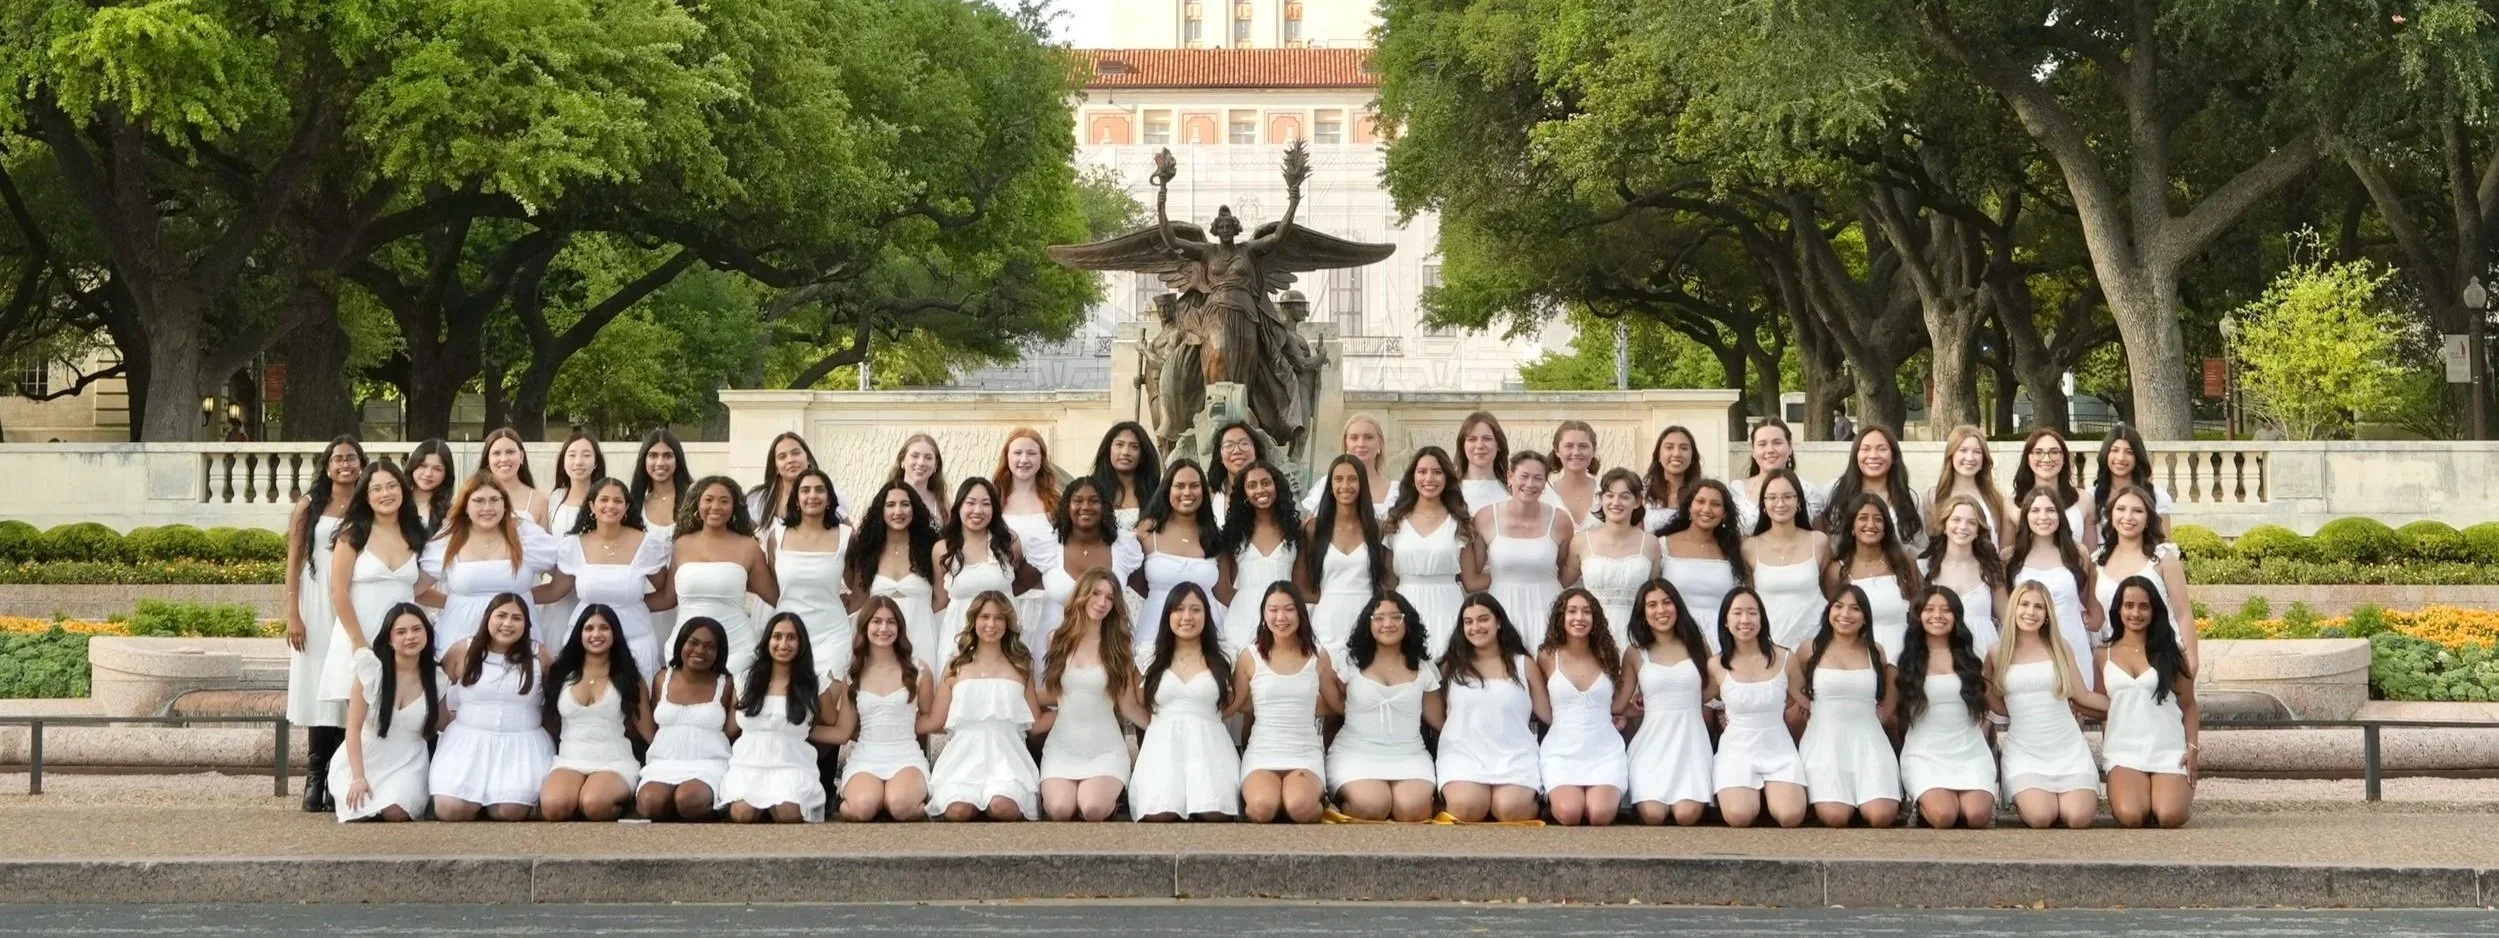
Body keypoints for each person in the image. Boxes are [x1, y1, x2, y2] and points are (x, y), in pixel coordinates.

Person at [287, 435, 366, 812]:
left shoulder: (368, 505)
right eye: (338, 459)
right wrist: (293, 611)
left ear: (361, 463)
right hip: (316, 601)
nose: (345, 465)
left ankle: (338, 776)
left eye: (351, 458)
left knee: (347, 683)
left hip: (353, 599)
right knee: (317, 682)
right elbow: (294, 558)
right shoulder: (309, 504)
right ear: (328, 465)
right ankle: (314, 775)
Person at [319, 462, 428, 727]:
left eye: (391, 486)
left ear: (403, 490)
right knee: (366, 726)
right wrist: (358, 642)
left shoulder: (414, 533)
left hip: (402, 639)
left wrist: (458, 601)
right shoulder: (353, 533)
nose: (385, 494)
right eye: (376, 489)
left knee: (400, 723)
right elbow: (338, 590)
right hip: (362, 635)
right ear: (366, 496)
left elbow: (413, 590)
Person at [1989, 580, 2105, 829]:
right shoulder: (1997, 652)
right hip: (2025, 750)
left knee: (2077, 818)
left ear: (2047, 615)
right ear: (2013, 608)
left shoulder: (2060, 646)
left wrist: (2125, 704)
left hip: (2067, 747)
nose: (2030, 612)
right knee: (2041, 817)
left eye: (2039, 607)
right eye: (2024, 604)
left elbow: (2083, 696)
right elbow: (1994, 701)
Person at [429, 593, 553, 821]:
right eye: (501, 616)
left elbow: (554, 700)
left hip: (521, 745)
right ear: (487, 618)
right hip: (468, 742)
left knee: (509, 812)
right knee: (450, 810)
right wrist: (443, 720)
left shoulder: (540, 655)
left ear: (526, 624)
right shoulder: (463, 650)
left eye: (516, 618)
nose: (507, 623)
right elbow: (435, 685)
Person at [922, 592, 1045, 821]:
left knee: (1002, 807)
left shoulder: (1021, 665)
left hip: (1007, 756)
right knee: (958, 811)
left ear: (1007, 623)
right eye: (985, 617)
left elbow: (1035, 723)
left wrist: (1073, 709)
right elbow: (935, 720)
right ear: (974, 620)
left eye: (999, 618)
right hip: (964, 755)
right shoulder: (956, 665)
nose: (991, 624)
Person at [1788, 585, 1901, 828]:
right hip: (1825, 743)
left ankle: (1865, 799)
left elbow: (1886, 686)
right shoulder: (1809, 648)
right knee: (1835, 817)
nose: (1845, 614)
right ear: (1829, 611)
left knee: (1881, 816)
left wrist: (1883, 715)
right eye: (1838, 607)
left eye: (1855, 609)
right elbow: (1792, 684)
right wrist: (1809, 706)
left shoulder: (1875, 651)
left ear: (1865, 617)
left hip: (1869, 743)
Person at [1127, 582, 1240, 821]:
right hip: (1163, 744)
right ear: (1168, 615)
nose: (1187, 617)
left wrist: (1212, 718)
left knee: (1215, 812)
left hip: (1210, 744)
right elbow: (1135, 701)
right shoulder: (1149, 656)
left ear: (1206, 615)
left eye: (1195, 610)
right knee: (1160, 813)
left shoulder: (1224, 657)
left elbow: (1236, 699)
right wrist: (1157, 726)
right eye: (1179, 609)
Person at [1327, 593, 1444, 822]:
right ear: (1368, 623)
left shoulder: (1423, 667)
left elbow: (1439, 721)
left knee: (1412, 810)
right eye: (1379, 618)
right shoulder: (1349, 662)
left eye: (1396, 617)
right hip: (1356, 752)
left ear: (1407, 622)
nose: (1387, 624)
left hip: (1409, 753)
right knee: (1372, 807)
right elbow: (1331, 706)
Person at [1037, 570, 1142, 822]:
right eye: (1095, 593)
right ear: (1082, 595)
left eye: (1109, 597)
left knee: (1093, 808)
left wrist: (1159, 724)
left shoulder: (1120, 644)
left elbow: (1127, 704)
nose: (1102, 602)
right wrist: (1015, 694)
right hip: (1062, 747)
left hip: (1104, 749)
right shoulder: (1057, 639)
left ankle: (1111, 796)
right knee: (1060, 810)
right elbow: (1056, 693)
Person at [1432, 593, 1546, 823]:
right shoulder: (1450, 666)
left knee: (1511, 810)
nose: (1476, 627)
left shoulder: (1524, 664)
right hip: (1463, 753)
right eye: (1468, 622)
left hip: (1514, 753)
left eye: (1483, 619)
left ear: (1499, 622)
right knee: (1466, 808)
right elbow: (1436, 713)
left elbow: (1548, 713)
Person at [1231, 582, 1339, 824]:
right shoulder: (1249, 656)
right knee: (1261, 809)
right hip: (1262, 751)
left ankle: (1307, 798)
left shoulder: (1318, 655)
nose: (1281, 617)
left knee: (1300, 808)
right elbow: (1237, 702)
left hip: (1304, 752)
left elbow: (1335, 703)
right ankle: (1275, 796)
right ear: (1263, 614)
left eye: (1289, 609)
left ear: (1300, 613)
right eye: (1273, 610)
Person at [719, 612, 842, 823]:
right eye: (777, 637)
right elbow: (731, 729)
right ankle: (760, 806)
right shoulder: (745, 680)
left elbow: (832, 723)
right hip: (749, 765)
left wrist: (802, 731)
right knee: (742, 814)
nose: (783, 644)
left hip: (792, 766)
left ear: (801, 644)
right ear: (767, 640)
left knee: (789, 814)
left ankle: (775, 806)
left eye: (791, 637)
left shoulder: (814, 684)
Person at [418, 477, 561, 654]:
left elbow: (562, 580)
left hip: (516, 639)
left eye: (494, 500)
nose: (487, 507)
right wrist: (454, 602)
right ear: (465, 506)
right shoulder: (449, 540)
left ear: (505, 503)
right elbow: (416, 590)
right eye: (478, 500)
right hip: (459, 639)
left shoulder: (526, 535)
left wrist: (524, 598)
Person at [2099, 576, 2198, 829]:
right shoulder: (2102, 655)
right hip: (2124, 750)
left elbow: (2189, 705)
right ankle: (2142, 794)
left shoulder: (2172, 653)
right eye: (2129, 605)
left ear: (2154, 610)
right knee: (2131, 817)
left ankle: (2164, 796)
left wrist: (2192, 749)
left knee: (2169, 816)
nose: (2135, 613)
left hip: (2167, 748)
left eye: (2144, 606)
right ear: (2118, 609)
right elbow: (2100, 707)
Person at [1895, 587, 1997, 829]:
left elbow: (1992, 703)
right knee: (1944, 816)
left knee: (1976, 816)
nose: (1937, 616)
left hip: (1970, 752)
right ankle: (1923, 806)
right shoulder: (1906, 661)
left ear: (1956, 616)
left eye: (1946, 610)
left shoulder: (1971, 659)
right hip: (1925, 753)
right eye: (1929, 609)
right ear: (1918, 615)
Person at [538, 604, 651, 822]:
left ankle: (615, 800)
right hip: (570, 758)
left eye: (604, 628)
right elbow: (549, 720)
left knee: (594, 804)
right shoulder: (561, 673)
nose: (596, 634)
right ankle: (576, 796)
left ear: (615, 634)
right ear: (579, 634)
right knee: (554, 808)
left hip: (614, 761)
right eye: (589, 628)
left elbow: (646, 728)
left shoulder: (629, 677)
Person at [1615, 580, 1714, 826]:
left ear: (1677, 606)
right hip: (1652, 744)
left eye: (1667, 602)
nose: (1661, 610)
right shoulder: (1634, 653)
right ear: (1643, 613)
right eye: (1652, 605)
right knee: (1653, 815)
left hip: (1691, 744)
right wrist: (1630, 710)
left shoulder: (1697, 644)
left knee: (1686, 816)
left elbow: (1714, 687)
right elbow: (1619, 703)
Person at [333, 603, 441, 822]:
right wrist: (358, 777)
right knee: (358, 811)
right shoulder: (371, 672)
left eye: (417, 629)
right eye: (401, 632)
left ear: (427, 634)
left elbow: (445, 723)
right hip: (366, 756)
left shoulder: (437, 678)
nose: (410, 637)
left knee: (396, 811)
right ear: (390, 639)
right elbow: (353, 729)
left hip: (408, 759)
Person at [1708, 589, 1806, 828]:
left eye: (1752, 613)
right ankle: (1752, 797)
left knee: (1790, 816)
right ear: (1725, 620)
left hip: (1778, 746)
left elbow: (1804, 698)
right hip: (1736, 748)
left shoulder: (1785, 658)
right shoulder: (1716, 664)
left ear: (1762, 618)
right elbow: (1696, 698)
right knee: (1738, 816)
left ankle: (1772, 797)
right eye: (1737, 613)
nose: (1745, 620)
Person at [548, 478, 671, 668]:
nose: (610, 506)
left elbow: (666, 595)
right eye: (604, 499)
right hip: (587, 641)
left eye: (617, 500)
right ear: (592, 506)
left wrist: (631, 602)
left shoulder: (647, 545)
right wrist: (511, 592)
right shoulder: (572, 545)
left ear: (626, 507)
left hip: (634, 641)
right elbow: (554, 591)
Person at [833, 598, 933, 822]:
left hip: (906, 754)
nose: (884, 628)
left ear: (900, 627)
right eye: (876, 621)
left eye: (891, 622)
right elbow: (843, 730)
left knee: (901, 806)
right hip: (867, 755)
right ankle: (868, 799)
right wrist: (805, 730)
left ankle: (900, 800)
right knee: (862, 808)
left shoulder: (918, 670)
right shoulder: (853, 673)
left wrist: (902, 726)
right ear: (865, 626)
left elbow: (929, 716)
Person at [670, 476, 780, 678]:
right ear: (698, 504)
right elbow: (667, 598)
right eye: (709, 499)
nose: (715, 507)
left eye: (724, 501)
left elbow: (776, 597)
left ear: (734, 507)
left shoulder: (749, 547)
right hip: (686, 648)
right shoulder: (680, 545)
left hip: (736, 650)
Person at [1537, 588, 1628, 826]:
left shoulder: (1608, 655)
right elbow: (1540, 704)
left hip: (1604, 750)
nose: (1579, 618)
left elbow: (1614, 702)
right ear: (1561, 616)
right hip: (1562, 752)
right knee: (1570, 813)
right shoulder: (1547, 656)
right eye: (1572, 611)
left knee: (1600, 815)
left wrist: (1628, 712)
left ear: (1595, 618)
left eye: (1587, 612)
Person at [1384, 446, 1484, 658]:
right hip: (1405, 605)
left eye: (1437, 472)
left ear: (1447, 478)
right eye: (1422, 472)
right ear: (1413, 477)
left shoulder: (1460, 522)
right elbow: (1389, 582)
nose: (1429, 478)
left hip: (1448, 606)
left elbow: (1471, 582)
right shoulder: (1395, 521)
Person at [636, 618, 737, 822]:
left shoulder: (726, 683)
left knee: (688, 800)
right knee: (649, 803)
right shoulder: (662, 679)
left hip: (708, 763)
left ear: (719, 652)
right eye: (693, 642)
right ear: (681, 643)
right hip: (664, 762)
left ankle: (701, 805)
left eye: (710, 646)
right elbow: (654, 722)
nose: (700, 650)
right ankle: (672, 803)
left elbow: (731, 729)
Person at [933, 477, 1045, 657]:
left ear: (994, 509)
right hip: (957, 642)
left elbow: (1020, 583)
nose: (978, 510)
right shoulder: (942, 549)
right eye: (970, 503)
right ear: (959, 506)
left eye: (986, 504)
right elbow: (939, 602)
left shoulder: (1008, 542)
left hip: (1003, 639)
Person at [2094, 485, 2198, 671]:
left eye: (2137, 511)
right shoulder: (2097, 562)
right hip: (2113, 663)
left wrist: (2192, 662)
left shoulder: (2164, 558)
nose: (2128, 517)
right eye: (2121, 509)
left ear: (2148, 518)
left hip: (2161, 658)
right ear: (2111, 515)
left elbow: (2183, 613)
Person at [1039, 477, 1145, 655]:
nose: (1086, 507)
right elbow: (1016, 586)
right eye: (1078, 501)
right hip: (1054, 643)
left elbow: (1148, 590)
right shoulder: (1047, 545)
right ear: (1067, 506)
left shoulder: (1124, 547)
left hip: (1109, 643)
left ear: (1104, 507)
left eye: (1094, 501)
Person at [1478, 451, 1573, 649]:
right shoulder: (1485, 518)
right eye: (1524, 476)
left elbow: (1564, 569)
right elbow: (1472, 575)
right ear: (1510, 477)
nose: (1530, 484)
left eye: (1538, 478)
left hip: (1547, 607)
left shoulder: (1561, 520)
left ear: (1545, 483)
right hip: (1502, 607)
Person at [1132, 459, 1227, 656]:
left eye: (1194, 486)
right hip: (1155, 628)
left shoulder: (1214, 536)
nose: (1187, 492)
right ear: (1168, 489)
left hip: (1205, 631)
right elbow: (1134, 580)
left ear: (1203, 492)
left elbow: (1223, 590)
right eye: (1180, 486)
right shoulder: (1147, 530)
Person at [844, 481, 941, 671]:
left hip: (922, 632)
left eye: (905, 504)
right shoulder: (867, 549)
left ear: (914, 509)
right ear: (881, 510)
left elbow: (940, 600)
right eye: (890, 505)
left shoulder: (931, 548)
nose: (898, 511)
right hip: (879, 634)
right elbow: (859, 599)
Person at [2010, 486, 2103, 680]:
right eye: (2035, 510)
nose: (2043, 517)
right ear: (2026, 516)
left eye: (2050, 510)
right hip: (2026, 644)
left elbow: (2088, 601)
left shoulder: (2078, 554)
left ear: (2060, 515)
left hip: (2071, 639)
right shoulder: (2011, 557)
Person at [1303, 455, 1391, 658]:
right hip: (1326, 621)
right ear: (1330, 485)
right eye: (1338, 479)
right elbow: (1302, 584)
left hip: (1368, 617)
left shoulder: (1377, 529)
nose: (1345, 485)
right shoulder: (1314, 529)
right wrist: (1326, 602)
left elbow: (1388, 581)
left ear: (1362, 484)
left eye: (1352, 479)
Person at [768, 469, 852, 675]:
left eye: (819, 490)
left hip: (832, 634)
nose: (812, 495)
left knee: (830, 693)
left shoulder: (846, 536)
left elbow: (859, 587)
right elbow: (775, 588)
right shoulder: (777, 536)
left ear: (829, 499)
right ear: (796, 499)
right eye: (805, 490)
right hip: (788, 636)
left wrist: (847, 609)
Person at [1824, 494, 1921, 664]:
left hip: (1905, 657)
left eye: (1878, 519)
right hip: (1859, 660)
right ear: (1852, 526)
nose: (1870, 525)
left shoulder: (1905, 563)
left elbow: (1919, 610)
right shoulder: (1837, 570)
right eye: (1863, 518)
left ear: (1886, 527)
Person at [1219, 461, 1302, 652]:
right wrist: (1245, 602)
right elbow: (1222, 588)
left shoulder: (1294, 531)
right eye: (1252, 485)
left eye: (1266, 483)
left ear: (1276, 485)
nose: (1260, 490)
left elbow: (1299, 585)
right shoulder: (1233, 532)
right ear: (1244, 493)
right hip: (1241, 621)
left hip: (1283, 620)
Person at [1744, 469, 1831, 650]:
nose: (1780, 503)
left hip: (1814, 643)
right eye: (1772, 497)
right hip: (1768, 644)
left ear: (1798, 501)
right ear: (1763, 504)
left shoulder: (1819, 542)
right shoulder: (1749, 547)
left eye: (1787, 497)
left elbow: (1829, 591)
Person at [1575, 468, 1659, 649]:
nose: (1616, 502)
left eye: (1624, 496)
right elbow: (1563, 585)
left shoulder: (1651, 543)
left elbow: (1655, 593)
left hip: (1636, 634)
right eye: (1610, 495)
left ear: (1637, 501)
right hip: (1591, 633)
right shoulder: (1581, 541)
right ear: (1601, 499)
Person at [1659, 479, 1746, 649]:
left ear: (1725, 513)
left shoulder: (1735, 551)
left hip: (1723, 640)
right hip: (1676, 638)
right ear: (1689, 507)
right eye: (1700, 501)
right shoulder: (1663, 545)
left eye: (1715, 504)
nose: (1707, 509)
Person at [1923, 495, 2009, 657]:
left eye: (1971, 522)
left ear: (1978, 530)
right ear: (1944, 525)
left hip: (1984, 653)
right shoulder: (1925, 567)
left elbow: (2007, 618)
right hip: (1940, 655)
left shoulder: (1990, 568)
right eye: (1956, 520)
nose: (1963, 527)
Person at [538, 431, 605, 635]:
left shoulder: (604, 499)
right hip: (557, 585)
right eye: (572, 455)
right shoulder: (556, 498)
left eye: (586, 455)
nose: (578, 462)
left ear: (596, 462)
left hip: (592, 585)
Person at [631, 429, 690, 646]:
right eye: (653, 455)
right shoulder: (634, 505)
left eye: (667, 456)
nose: (660, 462)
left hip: (686, 598)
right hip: (648, 599)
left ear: (677, 460)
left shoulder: (694, 501)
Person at [1822, 426, 1925, 551]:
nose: (1873, 455)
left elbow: (1920, 549)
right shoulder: (1834, 491)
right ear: (1856, 455)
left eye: (1882, 449)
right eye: (1865, 449)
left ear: (1893, 456)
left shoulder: (1910, 498)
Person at [993, 428, 1064, 585]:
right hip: (1004, 590)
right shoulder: (994, 501)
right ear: (1007, 456)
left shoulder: (1057, 503)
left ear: (1041, 459)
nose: (1024, 459)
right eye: (1017, 453)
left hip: (1047, 590)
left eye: (1031, 453)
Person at [1731, 419, 1827, 532]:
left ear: (1790, 447)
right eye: (1762, 444)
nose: (1770, 450)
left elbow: (1819, 537)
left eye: (1777, 443)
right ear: (1753, 451)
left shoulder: (1809, 493)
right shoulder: (1737, 491)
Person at [1301, 414, 1401, 517]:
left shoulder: (1397, 492)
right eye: (1354, 438)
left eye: (1369, 438)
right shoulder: (1327, 485)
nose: (1361, 444)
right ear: (1346, 443)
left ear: (1380, 443)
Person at [1929, 425, 2012, 547]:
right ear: (1951, 454)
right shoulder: (1932, 498)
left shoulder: (1997, 499)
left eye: (1977, 452)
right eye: (1963, 450)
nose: (1970, 457)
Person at [748, 431, 842, 536]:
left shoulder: (830, 494)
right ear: (775, 467)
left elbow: (850, 538)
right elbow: (742, 536)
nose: (790, 460)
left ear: (808, 458)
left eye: (796, 453)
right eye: (782, 456)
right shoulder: (759, 499)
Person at [2012, 428, 2091, 551]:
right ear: (2027, 458)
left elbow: (2091, 556)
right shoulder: (2010, 504)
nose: (2046, 459)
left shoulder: (2085, 500)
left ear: (2064, 457)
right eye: (2038, 452)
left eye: (2054, 452)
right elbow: (2007, 557)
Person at [2092, 424, 2175, 540]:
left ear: (2137, 457)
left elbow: (2164, 543)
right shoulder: (2091, 496)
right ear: (2106, 454)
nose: (2121, 458)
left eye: (2129, 452)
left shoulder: (2156, 496)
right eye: (2115, 450)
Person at [1090, 421, 1160, 533]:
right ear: (1109, 449)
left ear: (1142, 455)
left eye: (1134, 447)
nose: (1125, 452)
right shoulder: (1092, 491)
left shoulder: (1156, 494)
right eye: (1119, 445)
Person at [1539, 420, 1604, 532]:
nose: (1576, 452)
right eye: (1569, 446)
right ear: (1557, 451)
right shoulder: (1543, 494)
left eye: (1583, 446)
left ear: (1593, 451)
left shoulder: (1606, 492)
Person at [474, 428, 544, 529]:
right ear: (487, 459)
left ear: (521, 456)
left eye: (510, 452)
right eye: (496, 453)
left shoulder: (539, 500)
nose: (504, 459)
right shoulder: (473, 498)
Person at [1641, 426, 1703, 536]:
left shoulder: (1702, 493)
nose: (1676, 453)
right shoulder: (1643, 493)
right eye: (1669, 447)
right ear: (1658, 455)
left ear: (1692, 456)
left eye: (1684, 448)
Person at [1205, 420, 1271, 522]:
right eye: (1228, 445)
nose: (1236, 451)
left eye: (1244, 443)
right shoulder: (1209, 496)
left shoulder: (1273, 492)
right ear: (1220, 456)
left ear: (1256, 451)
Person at [1454, 411, 1513, 515]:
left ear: (1498, 444)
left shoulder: (1512, 492)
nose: (1480, 445)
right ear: (1463, 445)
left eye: (1487, 439)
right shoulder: (1449, 491)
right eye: (1472, 439)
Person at [890, 433, 951, 529]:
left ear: (936, 465)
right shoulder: (887, 498)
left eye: (928, 457)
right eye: (915, 456)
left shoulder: (942, 503)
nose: (921, 462)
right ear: (902, 461)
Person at [406, 438, 457, 535]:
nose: (428, 473)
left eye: (437, 469)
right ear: (413, 465)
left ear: (446, 474)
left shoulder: (451, 512)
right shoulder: (397, 503)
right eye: (422, 466)